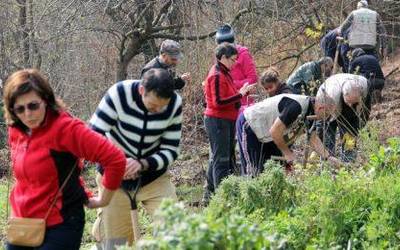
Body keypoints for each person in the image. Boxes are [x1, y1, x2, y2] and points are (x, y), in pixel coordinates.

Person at [3, 69, 126, 250]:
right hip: (23, 223)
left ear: (46, 100)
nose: (27, 114)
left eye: (33, 105)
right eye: (19, 109)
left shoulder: (65, 128)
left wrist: (104, 200)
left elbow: (115, 159)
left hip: (60, 223)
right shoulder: (16, 129)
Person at [90, 68, 182, 249]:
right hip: (113, 178)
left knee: (174, 233)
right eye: (153, 106)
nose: (158, 111)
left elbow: (171, 149)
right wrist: (117, 163)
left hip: (153, 178)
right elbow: (92, 135)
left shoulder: (174, 104)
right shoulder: (119, 94)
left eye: (162, 106)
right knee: (116, 244)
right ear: (142, 91)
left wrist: (142, 164)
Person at [236, 93, 342, 176]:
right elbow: (275, 131)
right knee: (253, 171)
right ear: (321, 108)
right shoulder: (296, 107)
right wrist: (287, 153)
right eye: (327, 114)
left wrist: (328, 157)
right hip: (250, 124)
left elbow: (312, 138)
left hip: (267, 134)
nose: (326, 118)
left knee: (272, 170)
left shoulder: (310, 112)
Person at [203, 42, 254, 202]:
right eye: (232, 60)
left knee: (219, 157)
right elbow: (218, 102)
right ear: (223, 58)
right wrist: (240, 94)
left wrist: (239, 95)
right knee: (222, 160)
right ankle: (222, 198)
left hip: (225, 120)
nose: (234, 63)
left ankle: (210, 194)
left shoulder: (224, 72)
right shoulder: (217, 75)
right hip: (218, 121)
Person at [316, 73, 371, 162]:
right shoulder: (331, 95)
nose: (350, 105)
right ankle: (328, 164)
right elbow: (321, 121)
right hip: (328, 105)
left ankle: (349, 162)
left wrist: (358, 127)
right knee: (327, 134)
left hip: (345, 105)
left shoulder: (365, 85)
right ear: (344, 95)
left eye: (353, 103)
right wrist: (319, 139)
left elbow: (366, 110)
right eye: (348, 102)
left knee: (350, 134)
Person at [215, 24, 258, 111]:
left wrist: (232, 84)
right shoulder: (219, 57)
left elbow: (253, 79)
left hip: (244, 104)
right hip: (227, 104)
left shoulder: (243, 54)